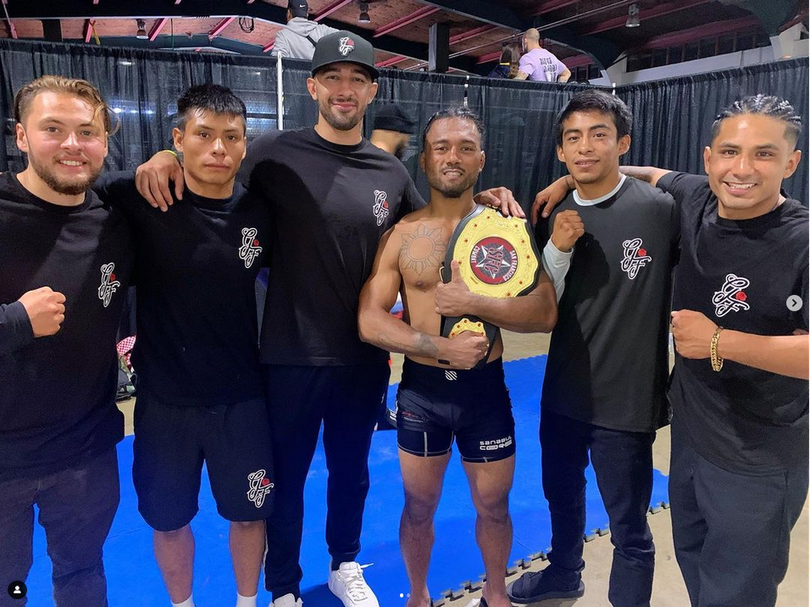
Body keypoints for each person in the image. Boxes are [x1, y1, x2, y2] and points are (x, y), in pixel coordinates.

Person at [134, 31, 522, 607]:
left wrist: (487, 203)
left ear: (371, 90)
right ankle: (284, 587)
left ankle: (344, 563)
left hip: (364, 354)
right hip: (288, 352)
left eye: (357, 80)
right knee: (284, 481)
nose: (345, 89)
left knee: (352, 472)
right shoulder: (269, 153)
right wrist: (166, 155)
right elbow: (210, 167)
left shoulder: (389, 173)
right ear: (312, 85)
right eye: (333, 78)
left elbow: (437, 218)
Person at [358, 107, 557, 607]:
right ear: (424, 160)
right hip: (422, 392)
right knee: (419, 506)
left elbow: (544, 312)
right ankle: (419, 596)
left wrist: (475, 303)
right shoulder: (402, 234)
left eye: (465, 147)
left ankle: (495, 593)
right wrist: (438, 346)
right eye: (441, 147)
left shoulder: (505, 228)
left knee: (494, 505)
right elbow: (369, 320)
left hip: (484, 392)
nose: (453, 156)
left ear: (482, 160)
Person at [618, 95, 809, 607]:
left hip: (761, 452)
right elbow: (652, 174)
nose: (741, 169)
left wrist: (719, 341)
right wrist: (573, 180)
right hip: (692, 433)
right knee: (697, 562)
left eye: (764, 155)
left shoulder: (803, 241)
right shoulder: (699, 196)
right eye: (729, 152)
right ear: (708, 158)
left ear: (791, 163)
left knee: (738, 589)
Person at [94, 84, 274, 607]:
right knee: (168, 522)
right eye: (203, 135)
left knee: (249, 512)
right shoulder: (139, 194)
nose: (218, 148)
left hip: (243, 400)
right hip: (163, 404)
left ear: (244, 145)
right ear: (179, 138)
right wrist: (158, 160)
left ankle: (246, 602)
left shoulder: (261, 212)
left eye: (231, 137)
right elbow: (71, 188)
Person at [507, 90, 678, 607]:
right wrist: (556, 247)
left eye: (599, 135)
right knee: (561, 494)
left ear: (622, 142)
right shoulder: (552, 210)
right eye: (573, 139)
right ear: (560, 151)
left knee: (629, 526)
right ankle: (564, 574)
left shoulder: (660, 210)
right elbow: (540, 310)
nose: (585, 148)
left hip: (626, 401)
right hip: (562, 390)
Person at [0, 75, 133, 607]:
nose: (73, 145)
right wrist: (13, 321)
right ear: (21, 137)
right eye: (53, 129)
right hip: (3, 461)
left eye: (88, 131)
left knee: (80, 577)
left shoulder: (114, 222)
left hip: (84, 453)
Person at [272, 0, 338, 61]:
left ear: (289, 13)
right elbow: (344, 38)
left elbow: (278, 61)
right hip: (319, 73)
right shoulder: (322, 30)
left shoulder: (283, 35)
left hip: (297, 73)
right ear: (307, 14)